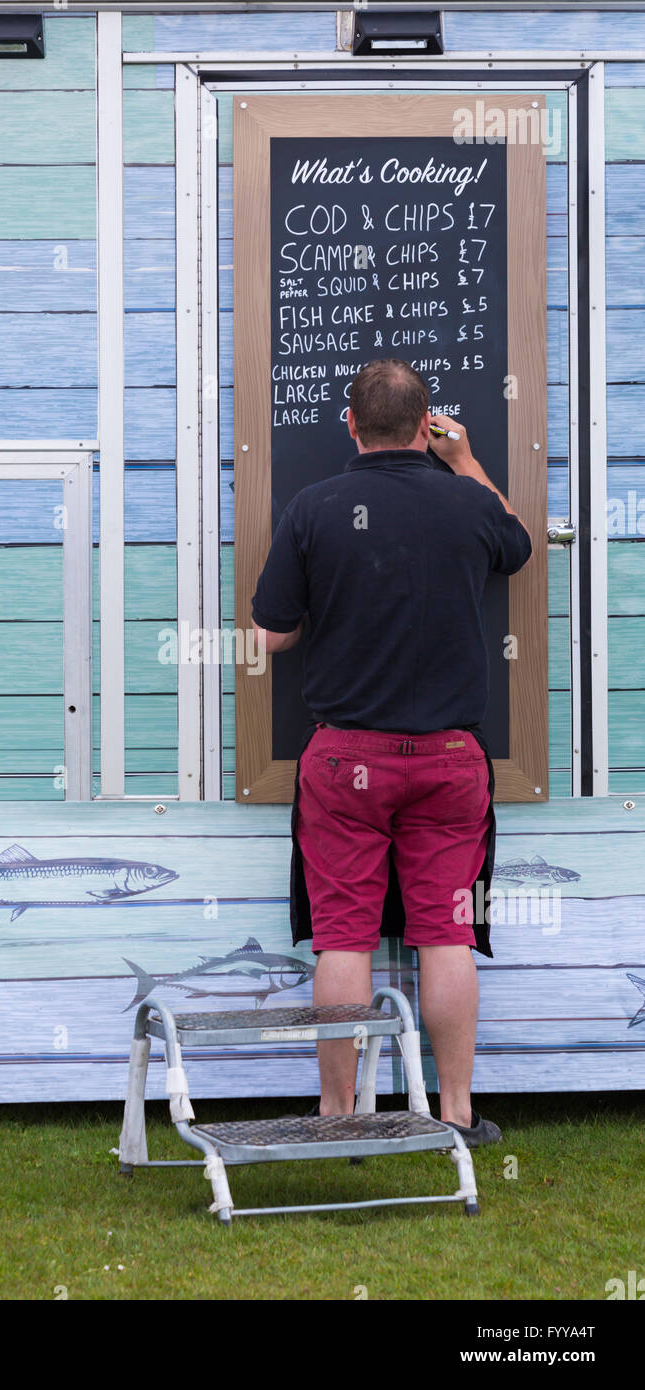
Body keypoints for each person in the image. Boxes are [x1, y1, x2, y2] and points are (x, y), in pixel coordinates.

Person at [251, 358, 532, 1145]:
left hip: (345, 762)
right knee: (446, 930)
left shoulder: (314, 506)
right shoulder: (467, 502)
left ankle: (339, 1117)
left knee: (344, 936)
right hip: (449, 760)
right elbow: (516, 545)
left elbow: (273, 635)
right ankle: (457, 1116)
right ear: (427, 421)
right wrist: (467, 457)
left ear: (350, 425)